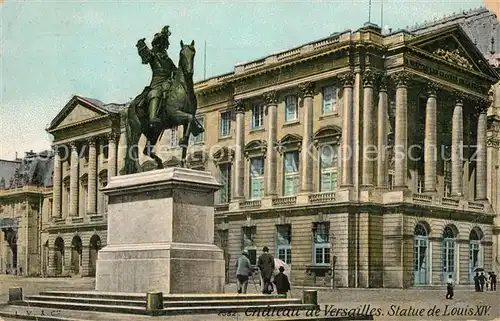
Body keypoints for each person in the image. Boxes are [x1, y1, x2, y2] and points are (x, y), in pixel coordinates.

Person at [136, 26, 178, 130]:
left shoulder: (168, 59)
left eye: (164, 43)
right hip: (157, 82)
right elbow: (146, 56)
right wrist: (141, 45)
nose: (163, 46)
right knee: (155, 93)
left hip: (168, 82)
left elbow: (175, 70)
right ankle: (153, 117)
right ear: (157, 44)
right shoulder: (153, 55)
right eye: (161, 43)